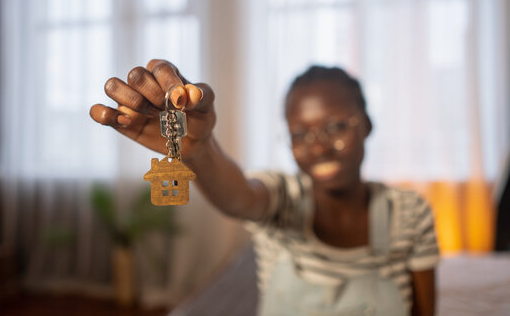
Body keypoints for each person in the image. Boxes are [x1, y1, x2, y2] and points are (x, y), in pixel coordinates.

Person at [90, 60, 439, 315]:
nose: (318, 147)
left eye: (335, 126)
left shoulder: (408, 212)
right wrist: (198, 150)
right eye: (300, 134)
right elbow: (239, 196)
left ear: (367, 124)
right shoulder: (282, 198)